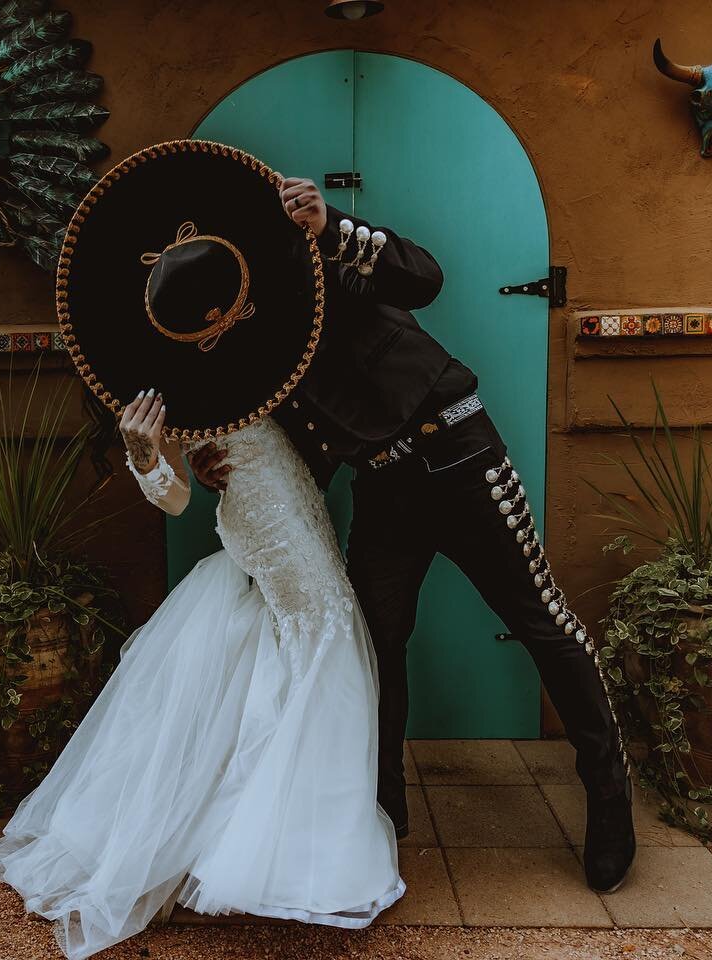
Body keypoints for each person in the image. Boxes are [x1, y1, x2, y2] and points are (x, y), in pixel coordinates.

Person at [0, 141, 404, 960]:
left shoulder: (264, 341)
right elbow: (177, 497)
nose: (223, 318)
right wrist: (148, 458)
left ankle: (252, 829)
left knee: (297, 643)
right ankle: (281, 855)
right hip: (258, 511)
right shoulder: (165, 387)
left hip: (293, 501)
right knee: (318, 631)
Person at [188, 176, 637, 894]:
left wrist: (331, 223)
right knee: (377, 643)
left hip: (460, 456)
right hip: (384, 490)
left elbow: (423, 277)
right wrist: (226, 468)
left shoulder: (308, 259)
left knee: (541, 619)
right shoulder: (242, 357)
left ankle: (610, 798)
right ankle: (382, 811)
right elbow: (304, 445)